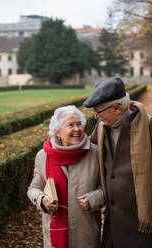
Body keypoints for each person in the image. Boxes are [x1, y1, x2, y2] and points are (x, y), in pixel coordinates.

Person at [83, 77, 152, 248]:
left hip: (142, 232)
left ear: (117, 108)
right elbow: (86, 150)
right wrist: (48, 158)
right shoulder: (101, 127)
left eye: (99, 111)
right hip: (112, 229)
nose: (96, 116)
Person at [27, 105, 104, 248]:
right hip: (54, 236)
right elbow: (33, 188)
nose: (77, 129)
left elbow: (109, 189)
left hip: (85, 235)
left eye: (79, 124)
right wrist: (42, 200)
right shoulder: (43, 156)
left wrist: (93, 199)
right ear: (57, 132)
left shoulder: (95, 154)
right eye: (70, 125)